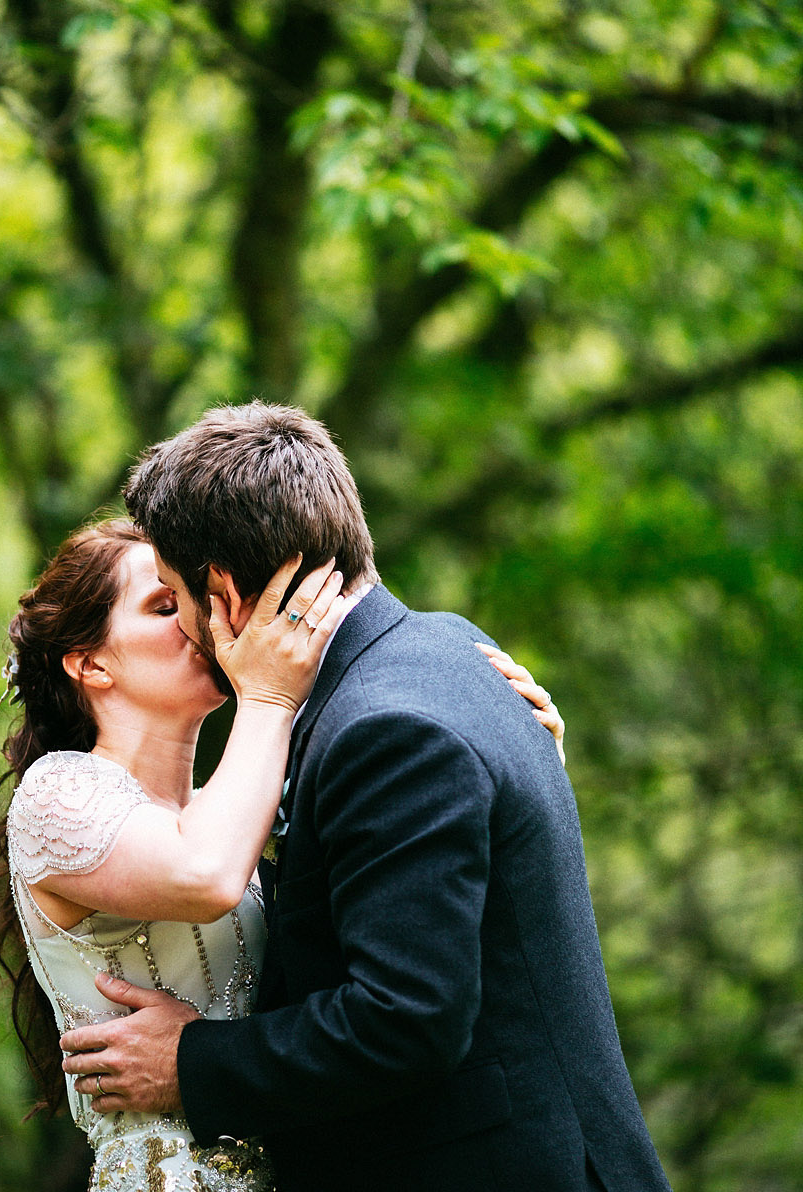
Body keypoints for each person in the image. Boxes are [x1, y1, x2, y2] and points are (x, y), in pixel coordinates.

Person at [59, 402, 673, 1192]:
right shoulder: (450, 650)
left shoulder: (385, 731)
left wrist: (192, 1063)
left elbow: (405, 1020)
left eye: (175, 599)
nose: (182, 628)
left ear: (226, 595)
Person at [0, 516, 561, 1192]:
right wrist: (269, 693)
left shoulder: (225, 810)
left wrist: (506, 746)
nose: (202, 620)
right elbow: (206, 874)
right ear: (90, 662)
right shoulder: (58, 793)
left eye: (195, 596)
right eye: (164, 605)